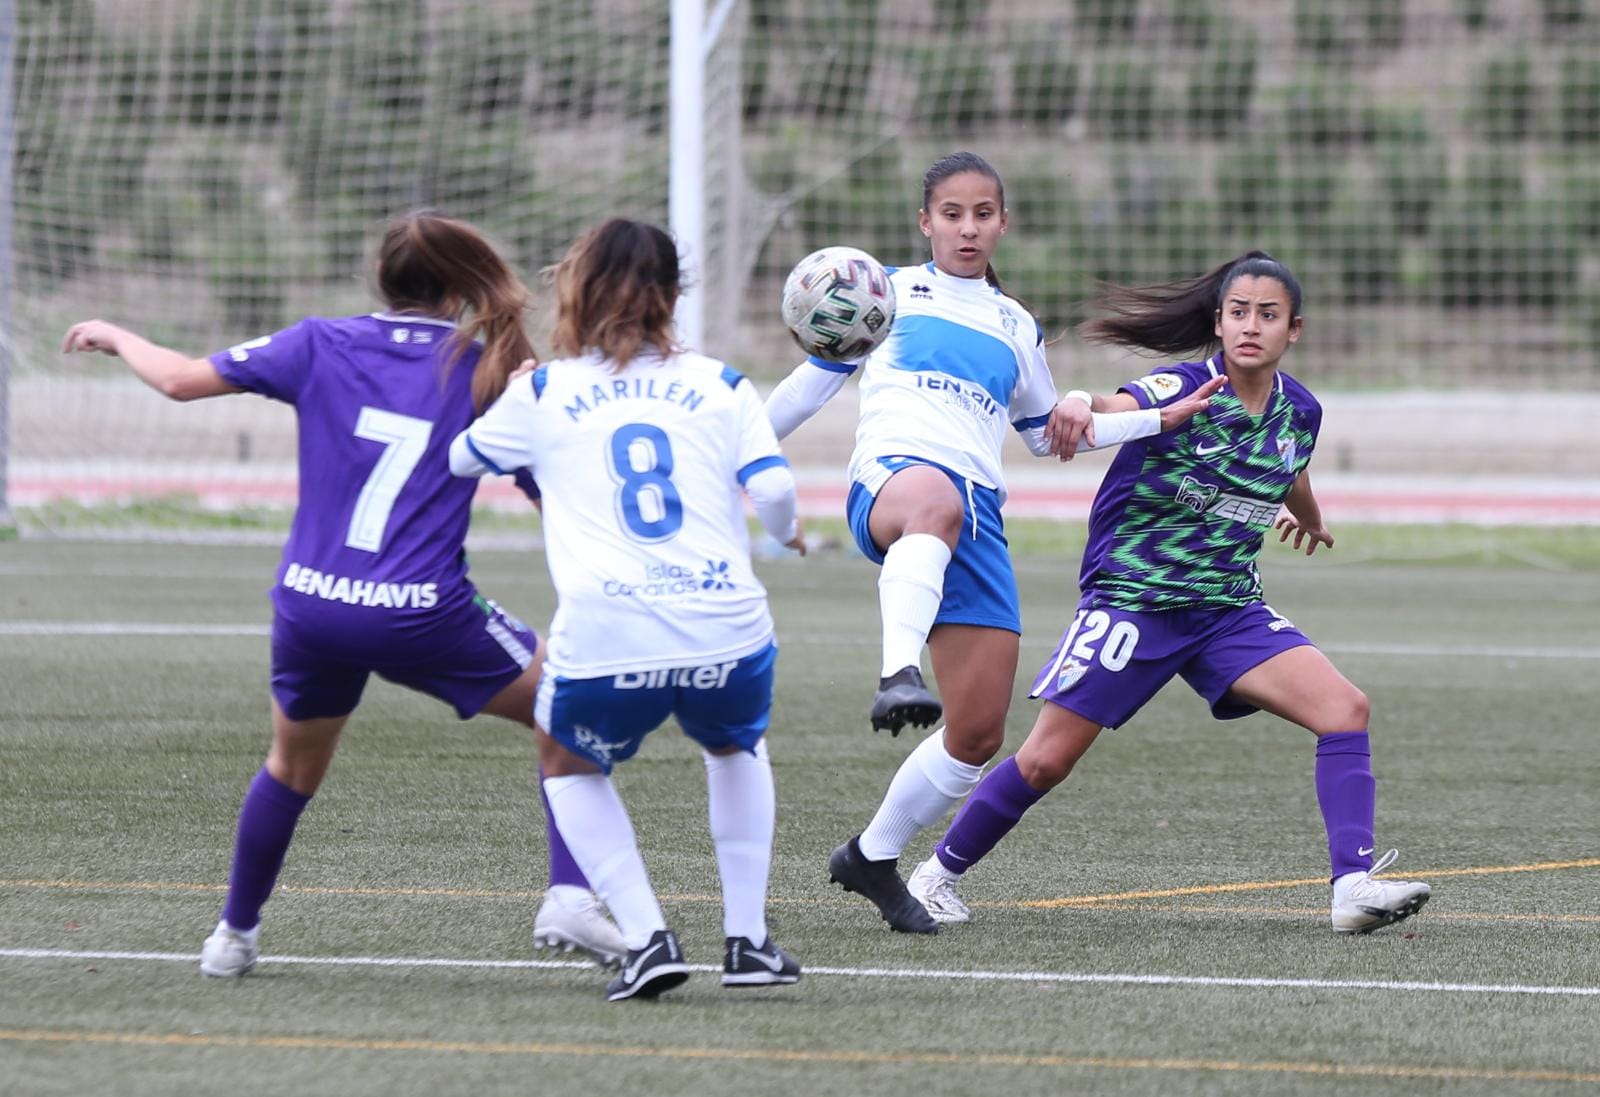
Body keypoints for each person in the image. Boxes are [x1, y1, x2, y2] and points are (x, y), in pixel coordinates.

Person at [60, 210, 627, 978]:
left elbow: (180, 380)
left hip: (310, 607)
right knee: (573, 702)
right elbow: (557, 496)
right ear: (459, 287)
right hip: (421, 613)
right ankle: (569, 894)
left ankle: (232, 936)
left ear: (382, 280)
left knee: (290, 768)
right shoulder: (489, 368)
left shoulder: (316, 342)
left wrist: (117, 334)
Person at [906, 251, 1433, 935]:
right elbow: (1111, 404)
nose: (1250, 326)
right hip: (1134, 599)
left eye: (1267, 315)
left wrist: (1307, 512)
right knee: (1047, 758)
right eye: (1238, 312)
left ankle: (1352, 886)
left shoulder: (1301, 409)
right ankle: (935, 874)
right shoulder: (1181, 386)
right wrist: (1073, 400)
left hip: (1225, 608)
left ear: (1293, 329)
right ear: (1218, 320)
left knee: (1345, 708)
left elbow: (1290, 464)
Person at [763, 151, 1223, 933]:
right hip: (897, 484)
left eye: (983, 213)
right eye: (952, 213)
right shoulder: (887, 291)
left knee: (977, 733)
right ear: (925, 222)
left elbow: (1049, 435)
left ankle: (871, 856)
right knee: (934, 501)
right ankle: (895, 671)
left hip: (973, 517)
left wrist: (1157, 419)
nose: (967, 227)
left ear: (1002, 222)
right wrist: (736, 454)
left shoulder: (1015, 324)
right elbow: (813, 381)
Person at [450, 217, 806, 1001]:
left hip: (608, 633)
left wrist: (513, 397)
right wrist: (790, 535)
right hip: (728, 628)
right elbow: (776, 492)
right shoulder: (721, 383)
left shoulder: (545, 390)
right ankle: (748, 942)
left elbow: (462, 457)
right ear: (674, 295)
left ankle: (647, 938)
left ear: (573, 289)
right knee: (736, 746)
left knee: (568, 765)